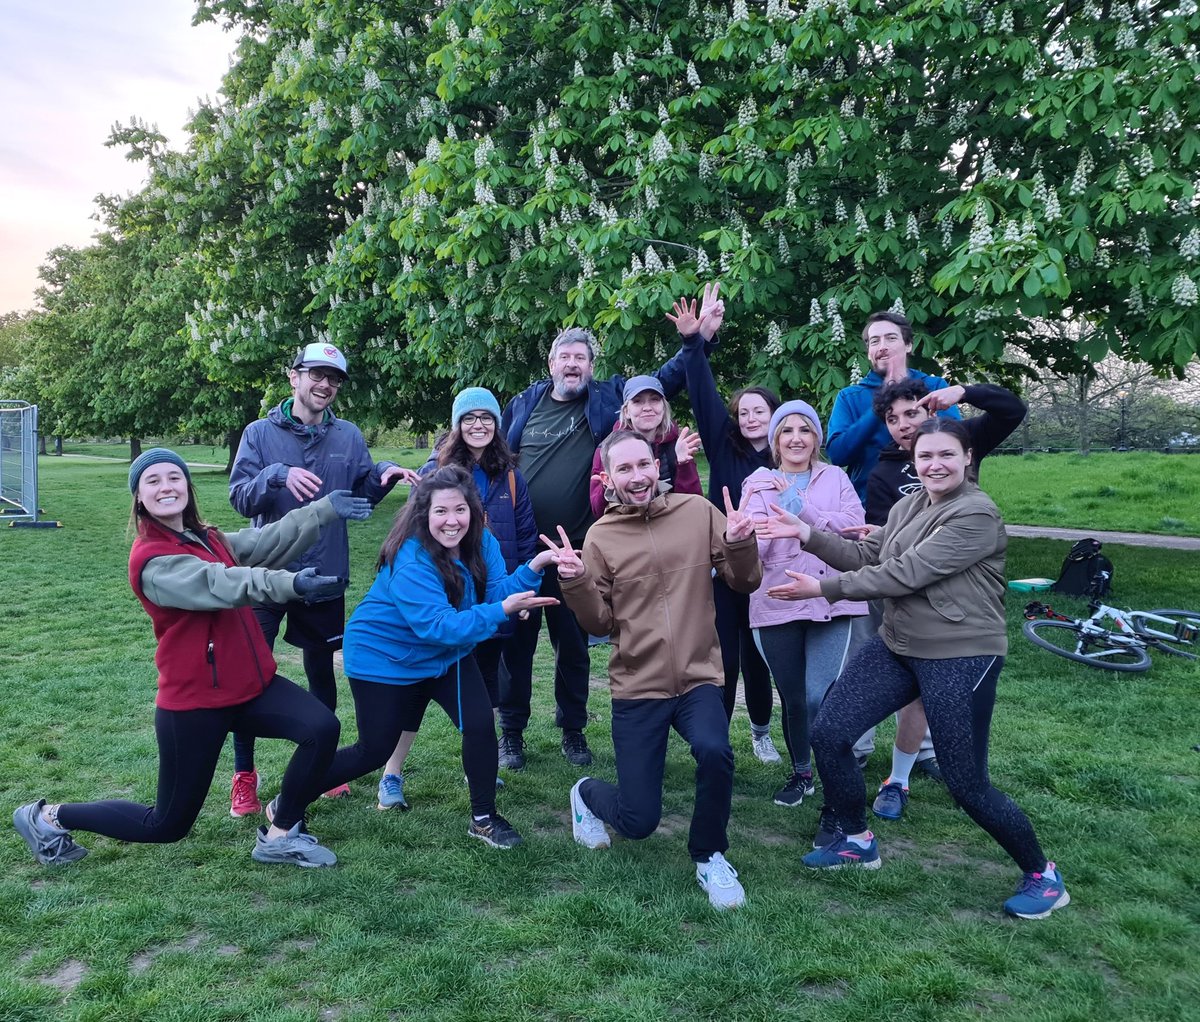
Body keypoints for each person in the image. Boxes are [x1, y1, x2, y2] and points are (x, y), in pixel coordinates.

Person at [763, 419, 1070, 920]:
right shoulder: (909, 505)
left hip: (960, 652)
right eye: (925, 456)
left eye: (947, 455)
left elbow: (906, 573)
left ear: (968, 457)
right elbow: (867, 553)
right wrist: (806, 533)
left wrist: (823, 590)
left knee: (966, 782)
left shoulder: (976, 514)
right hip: (900, 645)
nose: (935, 465)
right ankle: (857, 840)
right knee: (831, 731)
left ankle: (1043, 875)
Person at [13, 450, 369, 868]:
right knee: (166, 824)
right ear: (139, 498)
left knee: (321, 728)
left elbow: (260, 542)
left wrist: (322, 510)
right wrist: (290, 584)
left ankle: (280, 833)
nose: (166, 487)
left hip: (247, 686)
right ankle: (48, 816)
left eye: (174, 477)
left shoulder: (206, 537)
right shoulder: (152, 561)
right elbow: (218, 581)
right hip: (196, 701)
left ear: (187, 486)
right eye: (153, 481)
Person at [551, 431, 762, 911]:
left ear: (657, 465)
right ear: (609, 479)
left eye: (643, 465)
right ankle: (585, 793)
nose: (637, 476)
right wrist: (577, 582)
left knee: (714, 750)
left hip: (698, 676)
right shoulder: (601, 537)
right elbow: (598, 622)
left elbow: (745, 581)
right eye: (624, 469)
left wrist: (739, 543)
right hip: (637, 685)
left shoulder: (696, 512)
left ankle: (709, 855)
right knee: (638, 821)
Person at [310, 465, 560, 849]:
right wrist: (502, 611)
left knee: (479, 723)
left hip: (445, 654)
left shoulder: (483, 541)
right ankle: (292, 798)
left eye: (460, 510)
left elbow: (495, 593)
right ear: (424, 514)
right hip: (386, 657)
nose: (452, 520)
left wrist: (534, 568)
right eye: (441, 511)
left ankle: (483, 819)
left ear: (474, 511)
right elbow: (439, 626)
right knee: (373, 749)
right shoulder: (412, 556)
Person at [497, 326, 711, 771]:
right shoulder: (523, 404)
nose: (572, 364)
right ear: (551, 363)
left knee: (572, 648)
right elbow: (486, 448)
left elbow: (659, 383)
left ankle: (572, 731)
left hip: (578, 551)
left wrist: (696, 340)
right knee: (516, 646)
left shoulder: (607, 399)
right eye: (565, 357)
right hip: (521, 552)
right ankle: (511, 734)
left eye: (581, 357)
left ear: (591, 367)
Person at [227, 342, 417, 814]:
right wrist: (275, 476)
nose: (325, 384)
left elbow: (363, 499)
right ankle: (243, 776)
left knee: (321, 673)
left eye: (334, 378)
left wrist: (384, 477)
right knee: (249, 676)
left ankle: (322, 764)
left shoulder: (349, 436)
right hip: (265, 577)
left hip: (325, 575)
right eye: (317, 374)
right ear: (294, 377)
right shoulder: (258, 433)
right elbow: (239, 499)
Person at [863, 379, 1027, 820]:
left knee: (939, 717)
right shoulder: (884, 473)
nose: (903, 425)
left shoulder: (961, 457)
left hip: (949, 606)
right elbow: (881, 544)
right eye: (893, 419)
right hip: (890, 590)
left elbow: (1012, 410)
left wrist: (965, 392)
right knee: (881, 687)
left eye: (911, 413)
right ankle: (885, 766)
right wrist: (871, 540)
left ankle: (905, 775)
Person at [376, 387, 538, 811]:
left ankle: (477, 766)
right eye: (470, 418)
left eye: (487, 417)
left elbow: (522, 535)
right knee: (417, 689)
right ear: (457, 424)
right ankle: (391, 773)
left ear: (497, 425)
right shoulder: (438, 469)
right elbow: (415, 534)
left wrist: (517, 592)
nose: (479, 425)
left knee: (482, 689)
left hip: (494, 592)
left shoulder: (511, 473)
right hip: (448, 595)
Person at [667, 284, 781, 765]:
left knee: (761, 659)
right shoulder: (724, 444)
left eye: (762, 411)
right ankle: (716, 740)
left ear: (776, 418)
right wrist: (695, 342)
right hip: (727, 567)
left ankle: (760, 730)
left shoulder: (788, 457)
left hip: (775, 571)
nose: (752, 417)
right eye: (745, 411)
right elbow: (703, 394)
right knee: (725, 658)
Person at [740, 400, 872, 808]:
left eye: (805, 430)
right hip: (777, 599)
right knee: (793, 694)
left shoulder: (836, 477)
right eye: (786, 431)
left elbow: (854, 530)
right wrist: (745, 537)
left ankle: (833, 766)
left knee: (819, 695)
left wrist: (803, 512)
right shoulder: (758, 483)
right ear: (775, 441)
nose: (796, 438)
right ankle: (801, 774)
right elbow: (756, 547)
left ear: (816, 439)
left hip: (830, 595)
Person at [825, 310, 959, 503]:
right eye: (874, 341)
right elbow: (838, 455)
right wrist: (882, 403)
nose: (882, 347)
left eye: (890, 338)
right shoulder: (849, 397)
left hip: (935, 504)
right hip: (869, 508)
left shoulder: (934, 387)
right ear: (869, 352)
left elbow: (956, 440)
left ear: (908, 345)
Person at [587, 375, 703, 516]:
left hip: (670, 528)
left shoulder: (676, 445)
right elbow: (599, 512)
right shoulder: (607, 450)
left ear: (664, 407)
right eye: (637, 402)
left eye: (654, 400)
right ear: (626, 411)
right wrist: (607, 487)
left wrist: (684, 464)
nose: (647, 408)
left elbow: (693, 507)